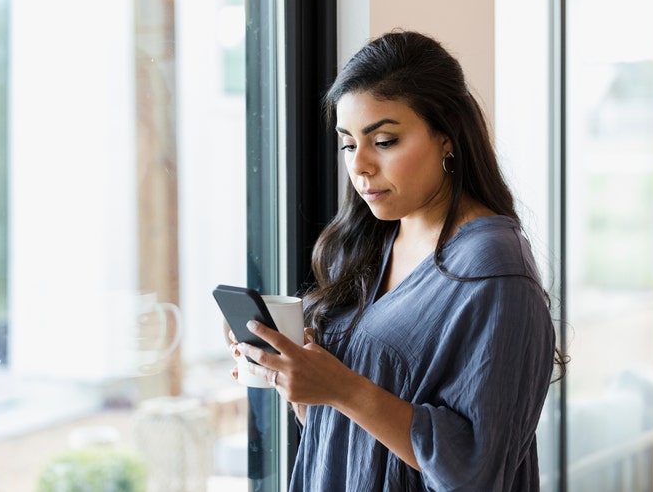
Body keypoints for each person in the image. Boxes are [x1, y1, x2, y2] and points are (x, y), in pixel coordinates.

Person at [229, 30, 564, 491]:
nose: (360, 165)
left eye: (384, 140)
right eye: (348, 144)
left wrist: (342, 387)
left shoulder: (493, 271)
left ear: (448, 136)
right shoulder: (374, 237)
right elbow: (358, 432)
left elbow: (478, 471)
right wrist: (299, 376)